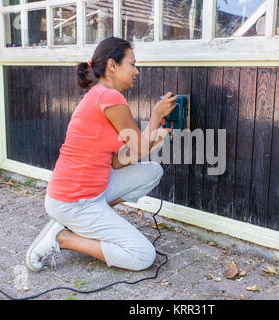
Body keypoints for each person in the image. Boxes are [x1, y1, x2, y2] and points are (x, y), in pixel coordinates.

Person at [25, 36, 178, 272]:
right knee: (143, 256)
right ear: (112, 65)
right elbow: (138, 147)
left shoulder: (100, 95)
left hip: (90, 191)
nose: (136, 71)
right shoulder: (109, 97)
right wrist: (156, 116)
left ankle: (90, 220)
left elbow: (117, 161)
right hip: (74, 201)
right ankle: (63, 238)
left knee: (152, 171)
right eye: (132, 64)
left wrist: (154, 141)